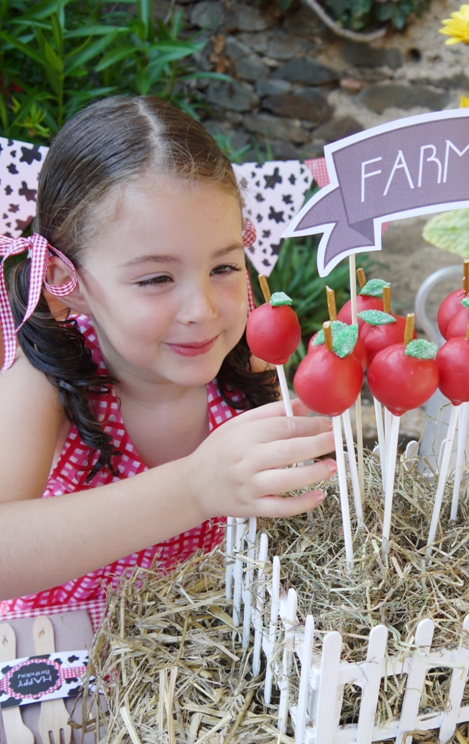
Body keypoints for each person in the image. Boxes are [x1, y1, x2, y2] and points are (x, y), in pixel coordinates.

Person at [0, 96, 336, 617]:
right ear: (66, 281)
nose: (201, 310)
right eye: (156, 278)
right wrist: (194, 487)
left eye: (223, 268)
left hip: (208, 652)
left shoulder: (250, 362)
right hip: (64, 657)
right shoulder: (45, 378)